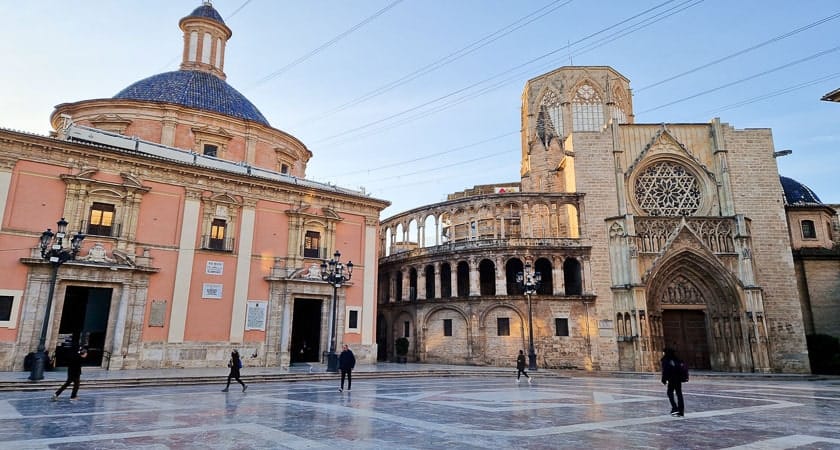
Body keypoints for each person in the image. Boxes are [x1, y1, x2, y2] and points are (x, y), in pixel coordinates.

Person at [661, 347, 685, 417]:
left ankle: (674, 408)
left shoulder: (665, 360)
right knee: (679, 394)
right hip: (678, 379)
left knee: (669, 393)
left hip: (671, 379)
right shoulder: (677, 359)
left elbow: (665, 371)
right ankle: (681, 411)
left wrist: (664, 379)